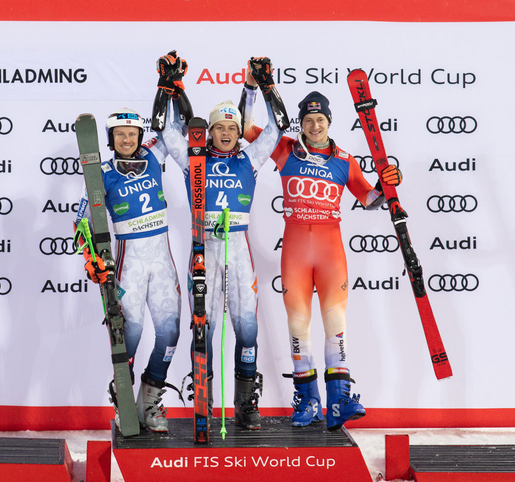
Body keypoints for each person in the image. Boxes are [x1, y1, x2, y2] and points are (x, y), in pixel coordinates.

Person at [244, 88, 402, 430]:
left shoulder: (344, 160)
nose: (314, 126)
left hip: (330, 250)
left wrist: (387, 185)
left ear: (329, 122)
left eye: (320, 119)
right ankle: (308, 399)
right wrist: (250, 89)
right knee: (298, 326)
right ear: (300, 123)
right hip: (296, 248)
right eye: (308, 120)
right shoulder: (286, 149)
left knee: (336, 324)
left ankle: (340, 399)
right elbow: (246, 129)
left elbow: (370, 199)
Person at [154, 55, 281, 430]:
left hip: (238, 248)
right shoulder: (194, 157)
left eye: (231, 127)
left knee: (247, 327)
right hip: (204, 246)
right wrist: (169, 89)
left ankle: (245, 402)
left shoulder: (251, 156)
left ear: (239, 130)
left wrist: (261, 86)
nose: (225, 132)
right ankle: (203, 396)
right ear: (208, 131)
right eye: (218, 127)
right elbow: (166, 132)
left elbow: (275, 129)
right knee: (202, 323)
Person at [74, 108, 182, 433]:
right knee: (129, 333)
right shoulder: (102, 172)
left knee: (171, 333)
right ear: (110, 138)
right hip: (130, 259)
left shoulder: (151, 155)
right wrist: (90, 255)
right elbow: (81, 220)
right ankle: (123, 394)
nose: (126, 139)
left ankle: (149, 401)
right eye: (119, 134)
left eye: (131, 134)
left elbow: (174, 127)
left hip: (162, 260)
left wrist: (169, 90)